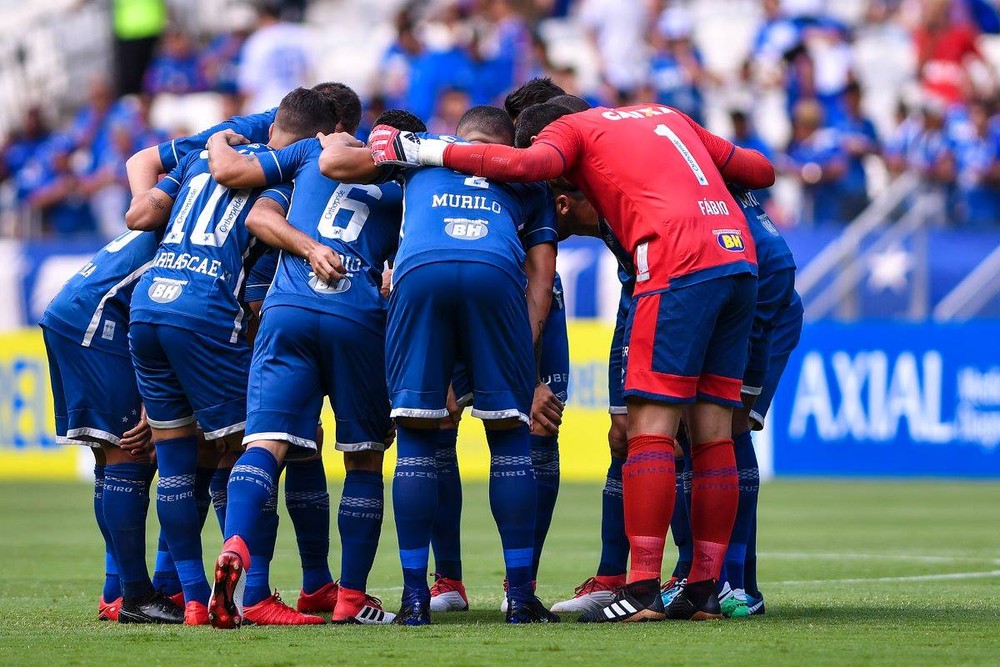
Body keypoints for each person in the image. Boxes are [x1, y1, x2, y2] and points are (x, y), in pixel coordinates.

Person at [370, 98, 774, 622]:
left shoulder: (571, 131)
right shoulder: (666, 114)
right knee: (714, 431)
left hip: (675, 258)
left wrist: (417, 147)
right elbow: (760, 169)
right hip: (737, 257)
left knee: (649, 428)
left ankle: (645, 589)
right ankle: (704, 592)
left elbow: (527, 167)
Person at [123, 82, 363, 619]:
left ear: (274, 121)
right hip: (209, 311)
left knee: (178, 460)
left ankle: (187, 599)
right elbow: (259, 257)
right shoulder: (290, 170)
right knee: (252, 452)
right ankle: (254, 595)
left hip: (150, 302)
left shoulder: (206, 155)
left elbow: (140, 212)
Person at [321, 105, 560, 624]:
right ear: (507, 144)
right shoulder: (527, 181)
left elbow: (332, 163)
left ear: (458, 136)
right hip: (495, 274)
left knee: (417, 440)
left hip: (419, 271)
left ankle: (414, 600)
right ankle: (519, 598)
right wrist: (523, 348)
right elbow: (541, 281)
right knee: (509, 439)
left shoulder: (419, 159)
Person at [201, 110, 423, 629]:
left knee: (265, 446)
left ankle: (236, 544)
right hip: (357, 315)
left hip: (288, 310)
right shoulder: (409, 185)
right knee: (364, 458)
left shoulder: (310, 156)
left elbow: (258, 215)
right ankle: (350, 596)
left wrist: (309, 247)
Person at [39, 229, 183, 624]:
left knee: (110, 458)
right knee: (132, 454)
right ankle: (137, 595)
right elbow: (153, 308)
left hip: (74, 311)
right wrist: (151, 398)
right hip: (98, 321)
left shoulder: (179, 204)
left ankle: (116, 589)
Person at [238, 1, 315, 113]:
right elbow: (310, 73)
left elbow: (248, 84)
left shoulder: (259, 39)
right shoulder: (300, 34)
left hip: (266, 106)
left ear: (263, 15)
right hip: (299, 106)